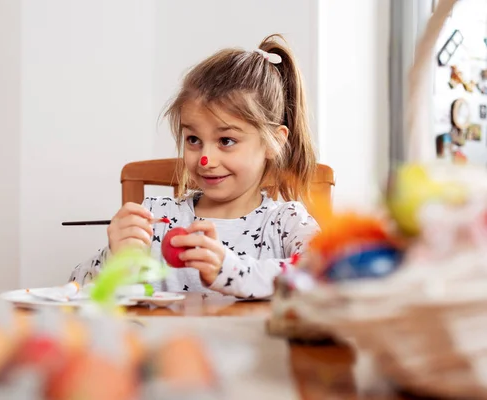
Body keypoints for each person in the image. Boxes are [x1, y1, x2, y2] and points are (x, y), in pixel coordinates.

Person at [70, 34, 320, 299]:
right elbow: (74, 289)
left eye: (226, 140)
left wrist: (230, 270)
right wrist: (114, 258)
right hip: (161, 341)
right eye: (193, 140)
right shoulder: (156, 217)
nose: (205, 160)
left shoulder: (286, 222)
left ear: (274, 143)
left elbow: (323, 276)